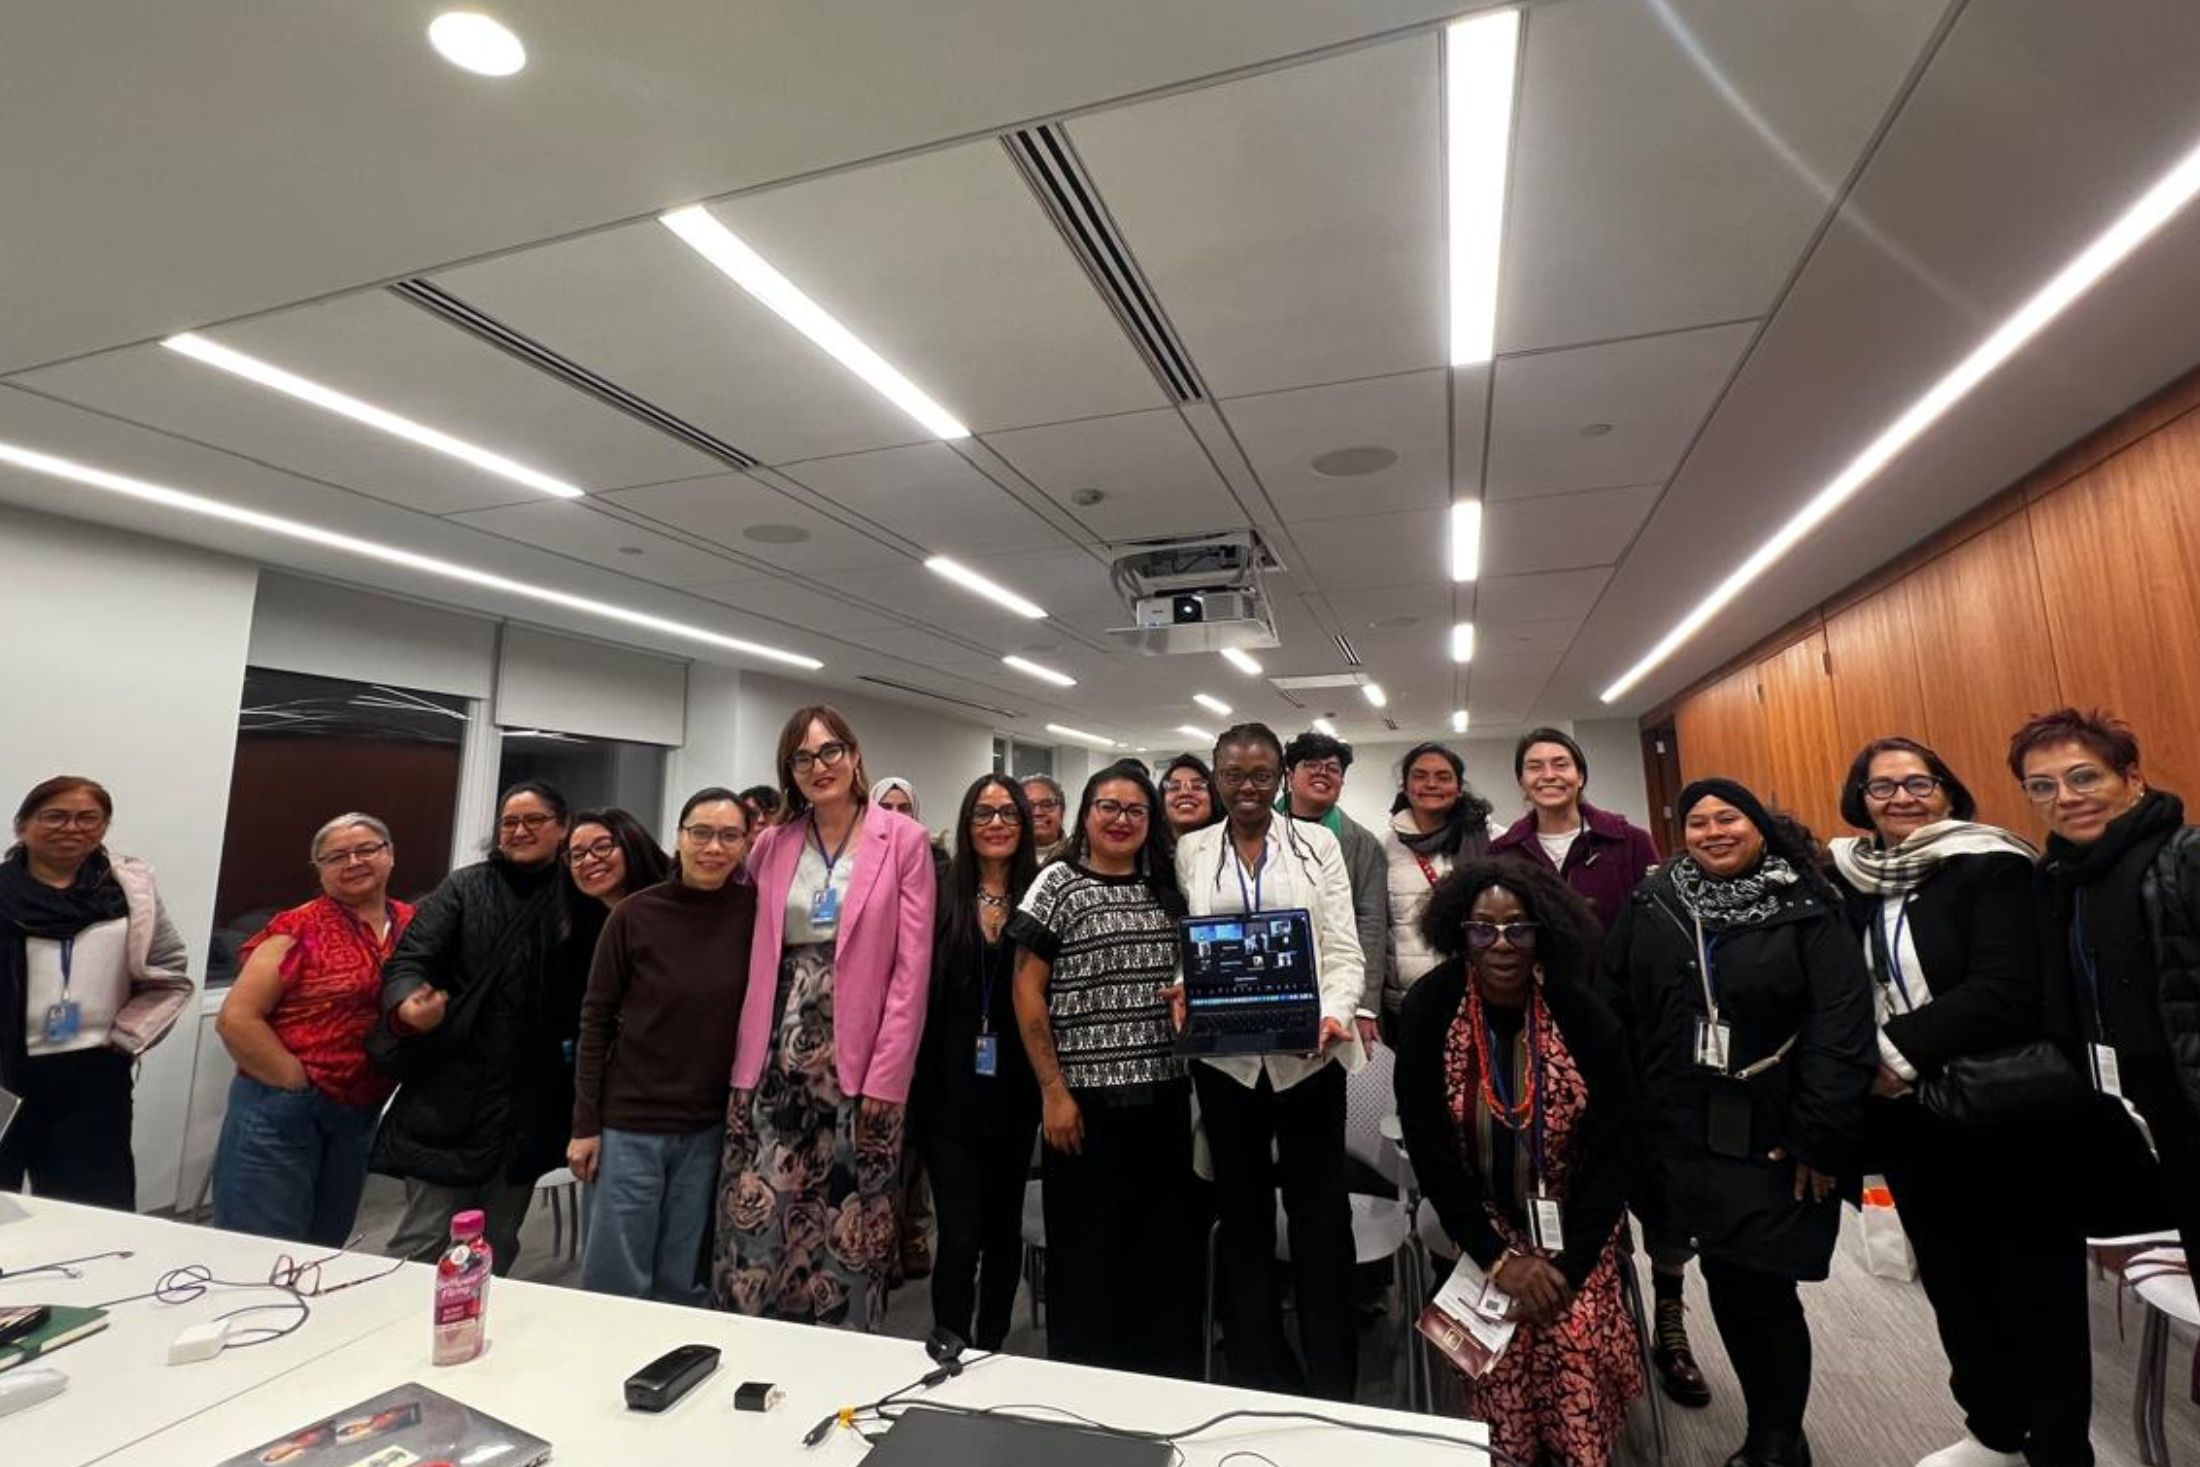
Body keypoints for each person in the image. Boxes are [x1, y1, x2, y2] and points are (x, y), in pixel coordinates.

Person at [1828, 738, 2089, 1467]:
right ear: (1861, 800)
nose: (1902, 797)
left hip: (2006, 1112)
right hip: (1912, 1121)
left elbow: (2006, 989)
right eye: (1882, 788)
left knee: (2036, 1289)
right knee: (1954, 1280)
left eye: (1919, 782)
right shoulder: (1852, 878)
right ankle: (1994, 1430)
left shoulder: (1993, 866)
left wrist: (1888, 1053)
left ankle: (2061, 1448)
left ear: (1947, 790)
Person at [1602, 778, 1874, 1467]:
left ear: (1760, 825)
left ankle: (1778, 1439)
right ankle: (1771, 1425)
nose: (1714, 831)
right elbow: (1616, 1003)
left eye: (1729, 818)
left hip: (1780, 1129)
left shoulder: (1809, 907)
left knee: (1765, 1284)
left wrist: (1820, 1132)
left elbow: (1842, 1028)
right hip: (1682, 1128)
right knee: (1726, 1276)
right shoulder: (1655, 902)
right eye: (1698, 822)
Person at [1394, 859, 1643, 1467]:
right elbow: (1428, 1149)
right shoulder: (1432, 1005)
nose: (1500, 944)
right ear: (1460, 933)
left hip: (1574, 1225)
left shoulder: (1581, 1010)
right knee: (1498, 1360)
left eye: (1517, 928)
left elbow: (1620, 1148)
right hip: (1482, 1225)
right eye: (1483, 929)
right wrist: (1497, 1257)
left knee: (1572, 1337)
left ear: (1543, 932)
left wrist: (1569, 1262)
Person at [1489, 727, 1702, 1406]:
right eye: (1535, 766)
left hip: (1627, 1035)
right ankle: (1597, 1312)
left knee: (1655, 1178)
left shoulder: (1628, 841)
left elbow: (1664, 934)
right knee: (1573, 1179)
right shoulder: (1505, 851)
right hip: (1540, 1040)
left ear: (1580, 773)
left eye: (1561, 763)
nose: (1549, 774)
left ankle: (1669, 1319)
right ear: (1521, 781)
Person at [714, 705, 936, 1331]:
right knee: (761, 1206)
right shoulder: (772, 844)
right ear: (790, 771)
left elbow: (910, 970)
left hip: (859, 1055)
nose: (820, 767)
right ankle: (758, 1339)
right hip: (772, 1050)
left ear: (854, 755)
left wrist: (889, 1077)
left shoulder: (904, 840)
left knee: (848, 1212)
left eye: (830, 751)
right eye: (802, 758)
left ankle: (842, 1349)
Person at [1172, 723, 1366, 1401]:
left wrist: (1336, 1009)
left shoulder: (1317, 844)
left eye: (1260, 774)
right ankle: (1258, 1371)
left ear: (1281, 775)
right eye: (1234, 774)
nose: (1247, 787)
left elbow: (1342, 948)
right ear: (1216, 778)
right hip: (1227, 1067)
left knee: (1320, 1220)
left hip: (1309, 1060)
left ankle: (1333, 1379)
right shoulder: (1192, 849)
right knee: (1244, 1218)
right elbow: (1189, 943)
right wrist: (1181, 984)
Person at [1012, 760, 1200, 1377]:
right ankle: (1088, 1388)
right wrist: (1051, 1091)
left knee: (1160, 1254)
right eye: (1108, 807)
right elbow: (1027, 991)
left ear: (1151, 821)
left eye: (1135, 810)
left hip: (1164, 1098)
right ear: (1086, 815)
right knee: (1088, 1259)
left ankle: (1159, 1384)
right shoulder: (1055, 883)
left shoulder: (1167, 888)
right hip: (1082, 1106)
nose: (1121, 820)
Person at [370, 780, 580, 1273]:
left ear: (563, 827)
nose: (520, 830)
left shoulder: (578, 897)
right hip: (450, 1096)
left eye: (534, 820)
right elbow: (408, 962)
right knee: (422, 1244)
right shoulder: (464, 888)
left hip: (531, 1105)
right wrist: (407, 1007)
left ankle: (472, 1336)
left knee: (497, 1243)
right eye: (510, 822)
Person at [2018, 709, 2200, 1263]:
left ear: (2132, 778)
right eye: (2042, 786)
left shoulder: (2185, 855)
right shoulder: (2059, 878)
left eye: (2085, 776)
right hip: (2136, 1103)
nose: (2067, 797)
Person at [568, 789, 756, 1304]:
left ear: (745, 844)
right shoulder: (633, 915)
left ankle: (670, 1378)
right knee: (617, 1280)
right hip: (630, 1123)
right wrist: (585, 1125)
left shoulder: (755, 915)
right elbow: (596, 1021)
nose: (713, 847)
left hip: (707, 1126)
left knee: (683, 1278)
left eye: (728, 835)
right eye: (700, 833)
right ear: (678, 837)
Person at [214, 813, 413, 1246]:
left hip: (359, 1111)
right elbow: (236, 1019)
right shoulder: (297, 928)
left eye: (367, 849)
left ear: (390, 855)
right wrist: (294, 1082)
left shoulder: (411, 924)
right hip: (282, 1110)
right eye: (337, 856)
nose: (354, 861)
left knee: (325, 1245)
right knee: (262, 1248)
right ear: (320, 869)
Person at [0, 776, 192, 1207]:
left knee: (95, 1208)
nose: (72, 828)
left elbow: (170, 971)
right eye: (55, 816)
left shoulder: (130, 893)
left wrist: (128, 1036)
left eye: (88, 818)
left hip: (93, 1078)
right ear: (23, 825)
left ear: (104, 827)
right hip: (5, 1074)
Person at [912, 775, 1041, 1350]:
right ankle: (950, 1340)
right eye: (984, 813)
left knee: (1003, 1232)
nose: (996, 824)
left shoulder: (1042, 891)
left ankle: (993, 1344)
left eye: (1008, 813)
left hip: (1016, 1090)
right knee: (960, 1236)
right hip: (948, 1090)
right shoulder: (937, 891)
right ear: (967, 824)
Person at [1279, 730, 1389, 1049]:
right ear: (1289, 775)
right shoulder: (1254, 829)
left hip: (1333, 988)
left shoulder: (1362, 844)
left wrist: (1365, 1004)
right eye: (1311, 765)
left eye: (1333, 769)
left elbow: (1371, 923)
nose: (1323, 773)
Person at [1382, 743, 1494, 1032]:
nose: (1431, 784)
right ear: (1405, 787)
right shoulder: (1383, 847)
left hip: (1482, 991)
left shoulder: (1491, 840)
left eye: (1443, 777)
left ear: (1459, 788)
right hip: (1409, 1000)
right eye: (1420, 776)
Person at [1160, 754, 1220, 840]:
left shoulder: (1231, 849)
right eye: (1175, 787)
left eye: (1197, 786)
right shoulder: (1147, 849)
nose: (1185, 792)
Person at [1023, 775, 1068, 863]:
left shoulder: (1081, 857)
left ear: (1062, 812)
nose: (1037, 813)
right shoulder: (1005, 859)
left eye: (1047, 805)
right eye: (1028, 806)